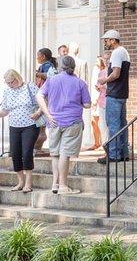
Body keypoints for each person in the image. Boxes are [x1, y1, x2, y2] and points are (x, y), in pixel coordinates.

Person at [36, 56, 91, 194]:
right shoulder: (80, 83)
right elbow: (87, 104)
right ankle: (63, 186)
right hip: (72, 122)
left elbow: (39, 96)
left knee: (55, 154)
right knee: (64, 155)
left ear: (60, 66)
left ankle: (55, 184)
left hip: (53, 121)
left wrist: (47, 114)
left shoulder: (51, 80)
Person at [0, 70, 42, 193]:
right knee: (16, 154)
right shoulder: (7, 91)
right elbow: (5, 111)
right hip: (14, 126)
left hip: (30, 125)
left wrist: (38, 112)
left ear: (17, 78)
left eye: (11, 82)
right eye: (7, 83)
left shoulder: (30, 87)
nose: (9, 85)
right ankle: (21, 182)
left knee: (27, 152)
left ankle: (28, 183)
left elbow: (43, 101)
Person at [97, 30, 131, 164]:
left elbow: (116, 73)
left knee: (113, 125)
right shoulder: (124, 52)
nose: (105, 43)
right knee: (122, 124)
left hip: (115, 93)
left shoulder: (117, 52)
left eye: (106, 40)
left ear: (113, 40)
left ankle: (113, 155)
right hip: (122, 93)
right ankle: (123, 153)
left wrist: (104, 80)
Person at [34, 48, 58, 156]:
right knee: (41, 125)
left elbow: (50, 77)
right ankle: (37, 148)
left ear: (43, 56)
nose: (37, 57)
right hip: (44, 96)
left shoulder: (47, 65)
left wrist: (38, 74)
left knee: (41, 125)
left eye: (38, 55)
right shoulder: (47, 65)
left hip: (44, 97)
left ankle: (36, 148)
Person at [86, 55, 107, 150]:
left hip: (99, 100)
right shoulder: (96, 71)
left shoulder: (102, 73)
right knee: (94, 121)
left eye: (97, 61)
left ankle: (101, 143)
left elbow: (99, 88)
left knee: (98, 122)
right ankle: (97, 142)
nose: (95, 63)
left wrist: (95, 99)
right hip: (98, 99)